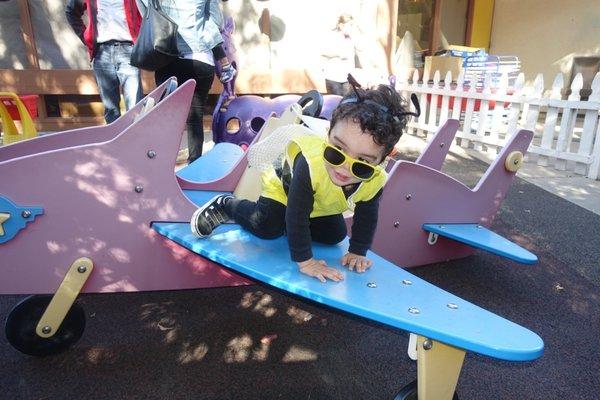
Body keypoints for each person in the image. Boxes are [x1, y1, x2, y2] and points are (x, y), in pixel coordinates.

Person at [190, 77, 419, 283]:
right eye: (337, 150)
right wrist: (306, 261)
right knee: (269, 226)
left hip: (319, 203)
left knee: (335, 236)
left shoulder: (375, 180)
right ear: (328, 133)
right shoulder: (310, 161)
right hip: (284, 189)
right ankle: (227, 206)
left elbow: (367, 214)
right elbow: (297, 212)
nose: (344, 166)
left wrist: (358, 251)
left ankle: (291, 230)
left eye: (362, 163)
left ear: (381, 160)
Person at [136, 0, 233, 163]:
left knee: (167, 116)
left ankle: (163, 164)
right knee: (195, 116)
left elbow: (146, 10)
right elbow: (217, 22)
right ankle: (194, 166)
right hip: (200, 57)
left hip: (166, 55)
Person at [66, 0, 143, 124]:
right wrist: (85, 37)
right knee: (111, 109)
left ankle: (136, 141)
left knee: (135, 107)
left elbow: (148, 11)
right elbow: (71, 11)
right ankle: (115, 142)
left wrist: (142, 40)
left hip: (128, 50)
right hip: (102, 52)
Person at [320, 13, 356, 96]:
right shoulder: (332, 36)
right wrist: (338, 54)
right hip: (333, 78)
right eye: (350, 25)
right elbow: (323, 52)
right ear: (341, 25)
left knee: (347, 105)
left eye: (353, 25)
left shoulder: (350, 39)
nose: (352, 28)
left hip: (346, 79)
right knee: (336, 104)